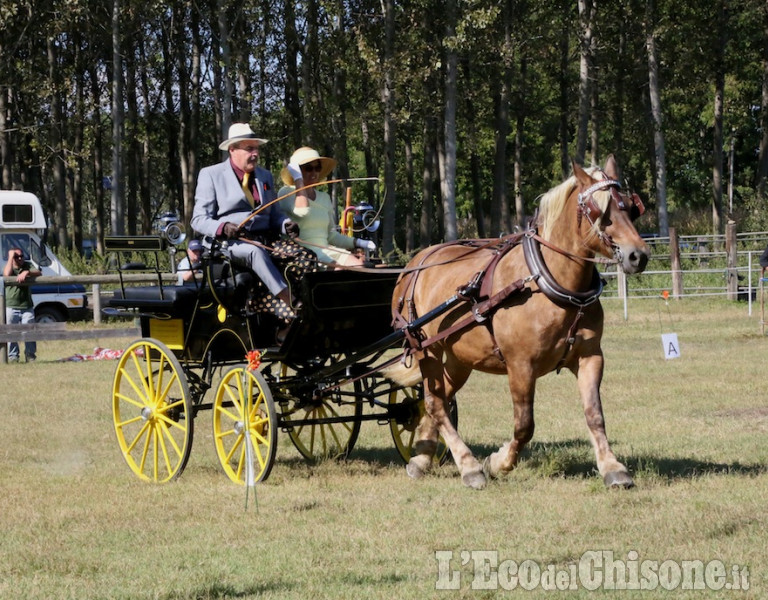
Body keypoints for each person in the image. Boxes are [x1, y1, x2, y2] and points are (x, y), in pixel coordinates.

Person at [191, 123, 300, 316]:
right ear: (232, 150)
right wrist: (223, 227)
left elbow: (275, 215)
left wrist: (285, 225)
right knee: (255, 252)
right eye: (249, 148)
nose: (255, 153)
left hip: (265, 239)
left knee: (303, 255)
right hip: (230, 243)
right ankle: (292, 301)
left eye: (256, 148)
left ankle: (302, 304)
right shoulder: (211, 175)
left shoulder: (264, 176)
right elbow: (198, 220)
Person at [278, 147, 376, 267]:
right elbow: (302, 211)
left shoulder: (324, 198)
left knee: (360, 268)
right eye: (308, 168)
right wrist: (298, 179)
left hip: (328, 251)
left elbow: (332, 236)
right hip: (304, 255)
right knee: (341, 274)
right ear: (297, 171)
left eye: (317, 168)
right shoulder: (286, 192)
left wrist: (358, 242)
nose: (314, 173)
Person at [3, 247, 41, 362]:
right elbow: (6, 275)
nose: (20, 258)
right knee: (11, 332)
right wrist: (10, 257)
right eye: (16, 256)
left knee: (29, 330)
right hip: (11, 305)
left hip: (27, 306)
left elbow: (39, 272)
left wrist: (27, 272)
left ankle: (30, 356)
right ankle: (13, 356)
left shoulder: (27, 265)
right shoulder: (9, 266)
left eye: (21, 256)